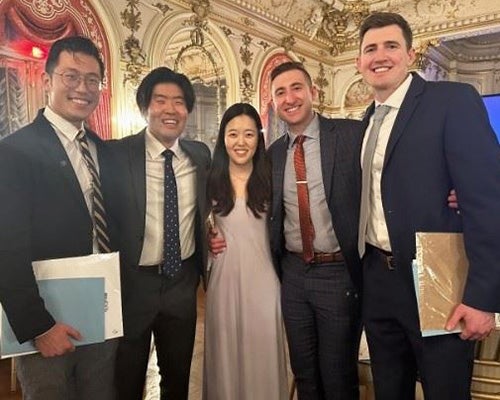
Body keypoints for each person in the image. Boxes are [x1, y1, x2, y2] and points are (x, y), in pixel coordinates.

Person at [356, 12, 500, 400]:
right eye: (370, 48)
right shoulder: (366, 121)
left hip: (438, 278)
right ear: (359, 62)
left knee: (445, 391)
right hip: (378, 279)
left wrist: (482, 298)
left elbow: (488, 201)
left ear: (410, 54)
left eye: (390, 46)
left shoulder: (452, 101)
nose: (379, 55)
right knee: (389, 390)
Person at [212, 62, 364, 399]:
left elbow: (386, 175)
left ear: (314, 92)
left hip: (337, 272)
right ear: (273, 100)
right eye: (280, 92)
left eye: (297, 88)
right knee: (305, 373)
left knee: (338, 376)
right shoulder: (272, 155)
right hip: (292, 274)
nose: (289, 98)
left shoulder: (351, 136)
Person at [0, 36, 117, 399]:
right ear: (48, 81)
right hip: (47, 321)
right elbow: (6, 246)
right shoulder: (14, 151)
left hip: (101, 311)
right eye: (71, 76)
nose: (83, 88)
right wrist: (38, 326)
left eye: (93, 79)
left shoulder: (103, 150)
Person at [112, 67, 211, 400]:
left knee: (177, 378)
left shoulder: (199, 156)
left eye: (179, 102)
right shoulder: (117, 154)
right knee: (126, 380)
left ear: (188, 110)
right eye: (161, 100)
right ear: (144, 108)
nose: (170, 109)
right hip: (131, 285)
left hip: (181, 283)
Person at [202, 103, 288, 400]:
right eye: (233, 134)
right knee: (225, 357)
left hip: (264, 283)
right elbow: (191, 224)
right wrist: (207, 236)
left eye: (249, 134)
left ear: (259, 138)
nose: (241, 142)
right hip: (224, 282)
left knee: (262, 356)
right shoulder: (210, 177)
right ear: (222, 137)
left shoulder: (272, 176)